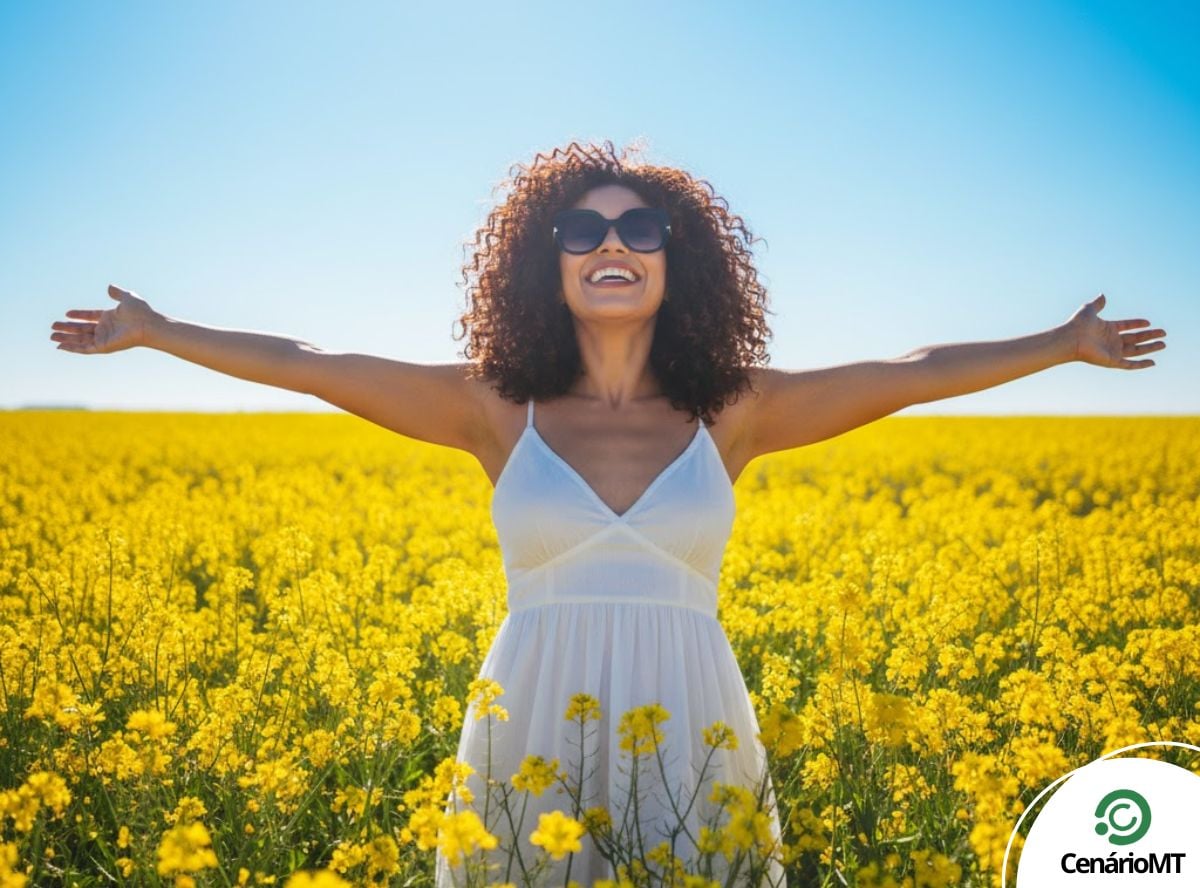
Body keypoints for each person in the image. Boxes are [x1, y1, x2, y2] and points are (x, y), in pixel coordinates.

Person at [50, 139, 1167, 887]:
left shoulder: (736, 413)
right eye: (581, 233)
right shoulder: (493, 408)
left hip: (689, 722)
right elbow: (309, 362)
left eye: (640, 229)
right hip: (525, 723)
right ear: (548, 266)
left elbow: (912, 369)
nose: (613, 246)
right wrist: (157, 330)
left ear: (684, 262)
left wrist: (1060, 346)